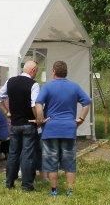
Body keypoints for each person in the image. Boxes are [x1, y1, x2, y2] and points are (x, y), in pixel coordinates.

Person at [34, 60, 92, 197]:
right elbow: (87, 102)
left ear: (53, 71)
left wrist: (41, 120)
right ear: (66, 72)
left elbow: (38, 104)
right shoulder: (74, 87)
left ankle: (54, 190)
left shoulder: (47, 87)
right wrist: (80, 120)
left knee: (51, 160)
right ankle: (70, 191)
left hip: (50, 129)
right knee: (69, 161)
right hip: (69, 128)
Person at [0, 60, 42, 192]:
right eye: (36, 72)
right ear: (33, 70)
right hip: (28, 123)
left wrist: (7, 113)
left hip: (15, 124)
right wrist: (38, 119)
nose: (36, 75)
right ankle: (27, 185)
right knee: (27, 154)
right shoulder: (34, 84)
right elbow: (34, 104)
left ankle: (9, 182)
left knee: (13, 153)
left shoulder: (10, 81)